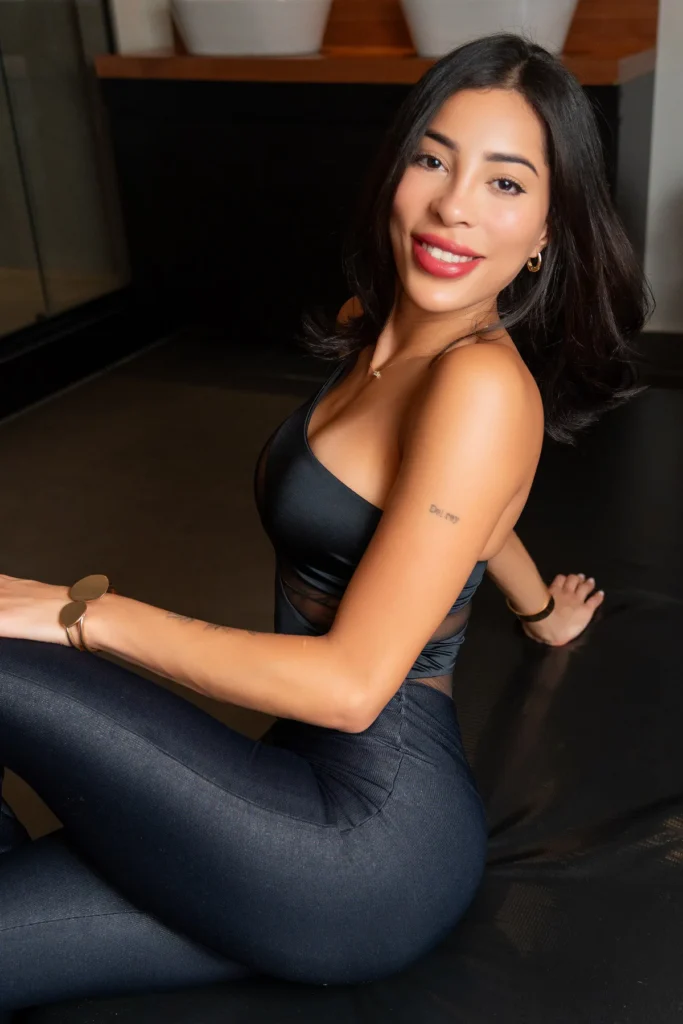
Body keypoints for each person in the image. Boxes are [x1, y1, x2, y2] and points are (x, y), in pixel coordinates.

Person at [0, 32, 651, 1011]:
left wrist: (81, 614)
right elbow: (462, 518)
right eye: (432, 158)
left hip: (364, 847)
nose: (453, 205)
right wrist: (538, 610)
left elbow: (350, 689)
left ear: (546, 233)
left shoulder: (479, 387)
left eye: (504, 183)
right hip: (281, 796)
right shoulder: (371, 324)